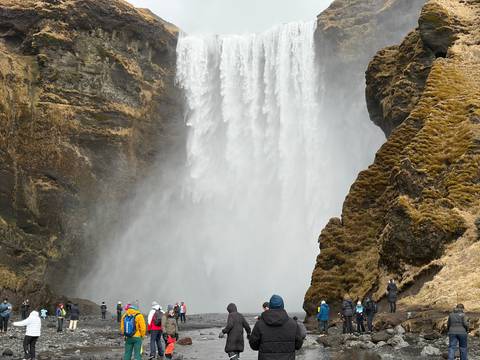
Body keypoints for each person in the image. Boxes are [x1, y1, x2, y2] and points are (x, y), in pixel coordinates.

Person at [249, 294, 304, 360]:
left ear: (270, 306)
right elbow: (298, 345)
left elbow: (253, 345)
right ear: (282, 306)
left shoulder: (259, 324)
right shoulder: (293, 324)